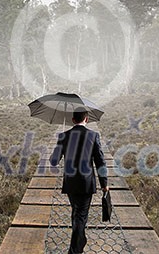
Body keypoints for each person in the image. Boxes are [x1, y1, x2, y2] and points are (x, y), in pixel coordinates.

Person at [50, 107, 109, 254]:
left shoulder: (64, 136)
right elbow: (100, 162)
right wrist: (104, 184)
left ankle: (80, 242)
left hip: (70, 183)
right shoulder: (93, 135)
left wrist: (59, 147)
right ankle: (75, 250)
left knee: (77, 213)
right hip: (86, 183)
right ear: (86, 119)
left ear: (73, 120)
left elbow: (53, 162)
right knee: (80, 216)